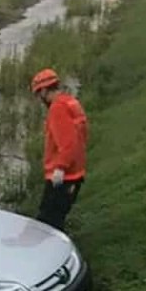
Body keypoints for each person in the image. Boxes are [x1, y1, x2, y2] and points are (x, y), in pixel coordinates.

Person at [30, 68, 88, 231]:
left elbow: (67, 142)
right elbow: (81, 136)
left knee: (47, 223)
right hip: (76, 171)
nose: (39, 98)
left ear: (43, 90)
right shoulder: (70, 102)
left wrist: (60, 168)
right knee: (57, 217)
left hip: (64, 177)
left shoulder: (57, 109)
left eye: (38, 94)